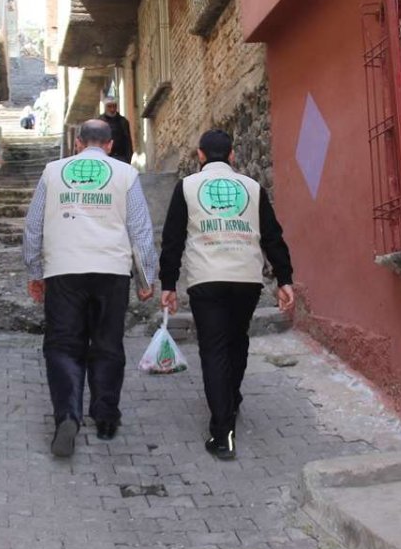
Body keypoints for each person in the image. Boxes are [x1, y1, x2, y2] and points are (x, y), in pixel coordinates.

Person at [22, 119, 158, 457]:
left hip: (64, 270)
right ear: (110, 145)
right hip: (111, 271)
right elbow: (140, 229)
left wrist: (35, 272)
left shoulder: (53, 172)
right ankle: (106, 417)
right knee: (108, 344)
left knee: (63, 345)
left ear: (78, 143)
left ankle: (68, 414)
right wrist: (146, 278)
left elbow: (33, 225)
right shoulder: (125, 174)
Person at [158, 130, 295, 461]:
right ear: (232, 155)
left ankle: (222, 431)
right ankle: (231, 398)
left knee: (214, 349)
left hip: (206, 279)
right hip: (246, 279)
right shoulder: (253, 188)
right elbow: (272, 236)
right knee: (237, 340)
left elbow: (173, 238)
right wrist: (284, 279)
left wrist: (168, 284)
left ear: (200, 154)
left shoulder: (187, 187)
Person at [101, 97, 134, 164]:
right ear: (105, 107)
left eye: (114, 106)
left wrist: (128, 159)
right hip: (104, 158)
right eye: (109, 106)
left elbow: (128, 142)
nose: (112, 109)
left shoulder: (123, 121)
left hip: (121, 158)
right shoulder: (99, 122)